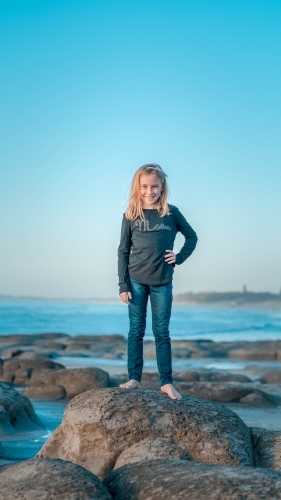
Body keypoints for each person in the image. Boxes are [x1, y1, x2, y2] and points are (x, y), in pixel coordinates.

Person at [117, 164, 198, 400]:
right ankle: (134, 378)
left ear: (162, 187)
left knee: (162, 333)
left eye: (154, 186)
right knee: (136, 332)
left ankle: (166, 383)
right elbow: (123, 251)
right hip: (136, 281)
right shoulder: (131, 214)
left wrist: (179, 257)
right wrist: (123, 285)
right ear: (138, 187)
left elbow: (192, 236)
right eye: (144, 186)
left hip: (163, 281)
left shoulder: (171, 213)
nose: (149, 191)